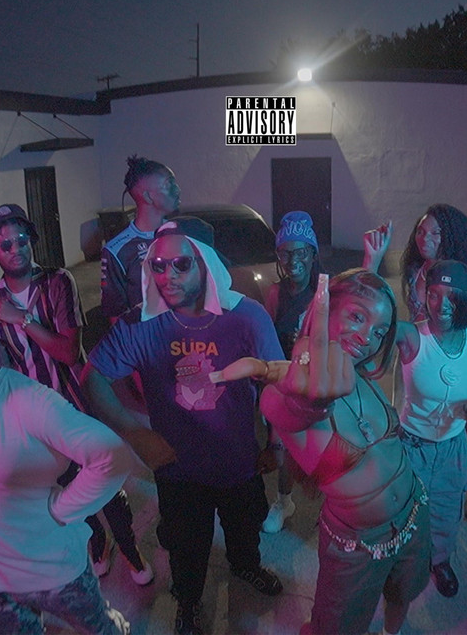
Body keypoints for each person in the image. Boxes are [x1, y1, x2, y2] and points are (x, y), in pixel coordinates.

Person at [82, 216, 284, 635]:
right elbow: (93, 376)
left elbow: (277, 384)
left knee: (245, 530)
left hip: (239, 462)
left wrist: (276, 443)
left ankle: (245, 567)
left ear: (205, 262)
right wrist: (136, 434)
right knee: (186, 549)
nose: (167, 275)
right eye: (157, 265)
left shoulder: (247, 317)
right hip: (178, 470)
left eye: (181, 264)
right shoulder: (141, 323)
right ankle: (189, 602)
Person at [214, 270, 430, 635]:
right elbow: (288, 410)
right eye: (357, 316)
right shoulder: (288, 389)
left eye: (380, 331)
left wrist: (372, 267)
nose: (368, 338)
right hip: (356, 546)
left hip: (414, 514)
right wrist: (311, 404)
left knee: (403, 595)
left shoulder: (361, 373)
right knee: (335, 627)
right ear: (322, 313)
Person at [0, 278, 131, 635]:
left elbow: (112, 457)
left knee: (98, 628)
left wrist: (62, 510)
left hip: (51, 574)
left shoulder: (28, 402)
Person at [0, 203, 153, 585]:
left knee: (106, 479)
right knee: (71, 486)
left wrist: (22, 319)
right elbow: (3, 371)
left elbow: (69, 352)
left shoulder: (57, 282)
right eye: (6, 244)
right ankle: (98, 542)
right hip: (41, 417)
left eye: (22, 240)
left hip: (79, 404)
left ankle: (129, 548)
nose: (16, 249)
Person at [395, 260, 467, 597]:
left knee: (447, 512)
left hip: (453, 447)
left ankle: (439, 560)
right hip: (411, 446)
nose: (441, 306)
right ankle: (403, 564)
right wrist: (372, 261)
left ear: (465, 299)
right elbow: (371, 318)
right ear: (424, 295)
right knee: (405, 512)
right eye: (434, 295)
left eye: (452, 297)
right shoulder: (412, 336)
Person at [262, 210, 322, 533]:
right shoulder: (276, 293)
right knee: (281, 445)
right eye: (285, 253)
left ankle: (332, 507)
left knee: (321, 447)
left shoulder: (324, 294)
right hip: (285, 381)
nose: (293, 260)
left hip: (316, 383)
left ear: (313, 254)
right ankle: (284, 501)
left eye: (300, 252)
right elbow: (267, 336)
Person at [363, 204, 467, 320]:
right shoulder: (416, 270)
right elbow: (362, 299)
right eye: (420, 231)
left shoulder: (457, 280)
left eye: (435, 233)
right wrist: (372, 259)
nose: (425, 238)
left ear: (452, 237)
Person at [101, 155, 180, 319]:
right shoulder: (116, 250)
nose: (177, 190)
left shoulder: (184, 233)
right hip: (148, 335)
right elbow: (115, 316)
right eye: (169, 185)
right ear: (148, 197)